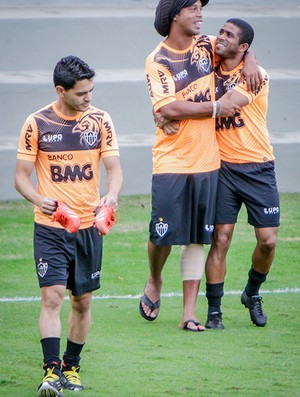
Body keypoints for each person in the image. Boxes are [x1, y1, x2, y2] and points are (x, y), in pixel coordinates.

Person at [139, 0, 259, 332]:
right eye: (192, 7)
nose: (200, 13)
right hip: (171, 159)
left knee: (197, 237)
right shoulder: (157, 60)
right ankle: (155, 278)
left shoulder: (207, 45)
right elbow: (170, 107)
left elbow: (236, 48)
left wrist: (250, 58)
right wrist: (214, 107)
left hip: (208, 160)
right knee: (161, 235)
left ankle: (188, 312)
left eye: (199, 7)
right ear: (174, 15)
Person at [14, 55, 123, 396]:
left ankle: (72, 368)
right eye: (81, 93)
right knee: (53, 296)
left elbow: (114, 171)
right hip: (50, 226)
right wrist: (37, 199)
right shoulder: (37, 123)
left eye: (91, 91)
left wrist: (112, 196)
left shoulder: (101, 121)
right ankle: (51, 372)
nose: (88, 98)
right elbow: (20, 177)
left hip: (89, 226)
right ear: (61, 91)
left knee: (83, 301)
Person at [204, 19, 280, 330]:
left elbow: (225, 106)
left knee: (268, 241)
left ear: (244, 47)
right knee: (220, 239)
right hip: (223, 169)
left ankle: (252, 292)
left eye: (229, 35)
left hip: (259, 167)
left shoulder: (255, 75)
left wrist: (178, 110)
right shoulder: (208, 65)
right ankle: (214, 312)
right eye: (220, 32)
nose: (221, 37)